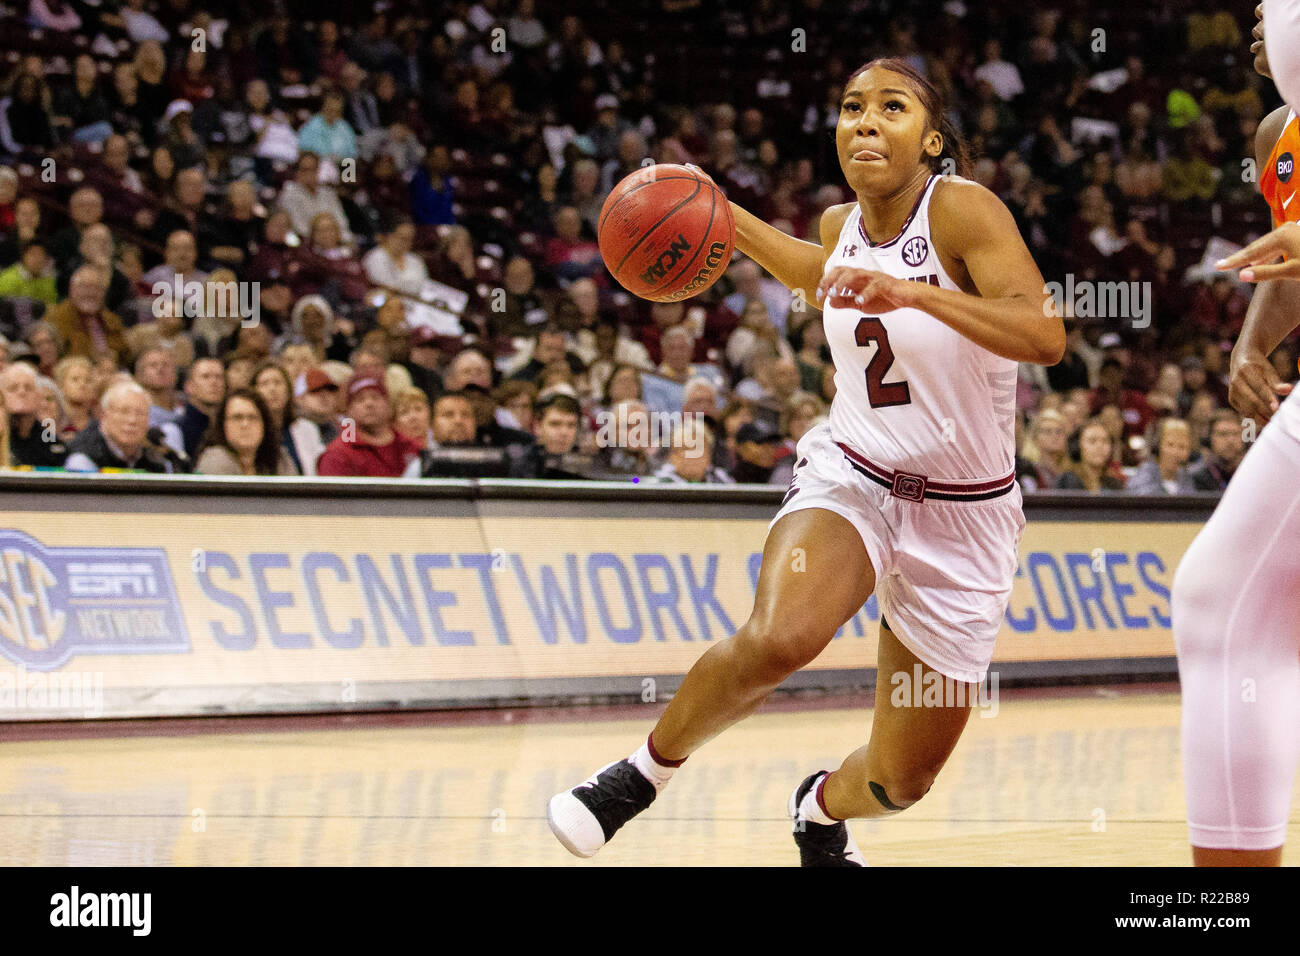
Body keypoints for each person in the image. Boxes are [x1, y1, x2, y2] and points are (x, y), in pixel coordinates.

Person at [549, 58, 1063, 865]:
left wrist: (917, 294)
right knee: (781, 637)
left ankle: (819, 807)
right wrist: (719, 210)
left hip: (967, 517)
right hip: (854, 477)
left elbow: (1045, 335)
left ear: (931, 139)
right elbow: (812, 271)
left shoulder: (962, 211)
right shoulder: (837, 227)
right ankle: (638, 775)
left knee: (902, 781)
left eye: (892, 107)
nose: (865, 120)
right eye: (852, 106)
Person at [1170, 0, 1300, 866]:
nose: (1257, 14)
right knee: (1229, 606)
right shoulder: (1282, 133)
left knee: (1225, 606)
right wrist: (1253, 339)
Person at [316, 374, 420, 477]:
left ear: (388, 405)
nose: (369, 404)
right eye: (360, 399)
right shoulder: (338, 456)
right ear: (349, 410)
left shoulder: (410, 446)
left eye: (375, 397)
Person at [64, 380, 170, 472]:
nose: (132, 420)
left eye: (140, 413)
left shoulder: (156, 460)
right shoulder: (82, 458)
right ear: (103, 415)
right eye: (124, 412)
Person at [194, 389, 297, 476]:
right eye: (237, 417)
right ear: (223, 425)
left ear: (264, 424)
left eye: (253, 417)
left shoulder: (280, 459)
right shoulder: (214, 461)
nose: (245, 424)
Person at [1, 360, 68, 465]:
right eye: (13, 388)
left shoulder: (50, 441)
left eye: (28, 388)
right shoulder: (2, 438)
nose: (22, 392)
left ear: (38, 396)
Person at [1126, 417, 1197, 495]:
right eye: (1170, 445)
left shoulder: (1189, 479)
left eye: (1182, 447)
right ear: (1158, 446)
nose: (1175, 452)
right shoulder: (1143, 476)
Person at [1056, 418, 1125, 491]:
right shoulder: (1066, 482)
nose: (1099, 446)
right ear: (1077, 446)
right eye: (1092, 441)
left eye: (1105, 441)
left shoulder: (1115, 484)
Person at [1187, 409, 1246, 492]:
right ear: (1210, 439)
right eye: (1223, 434)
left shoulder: (1250, 474)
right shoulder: (1194, 476)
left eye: (1235, 434)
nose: (1230, 440)